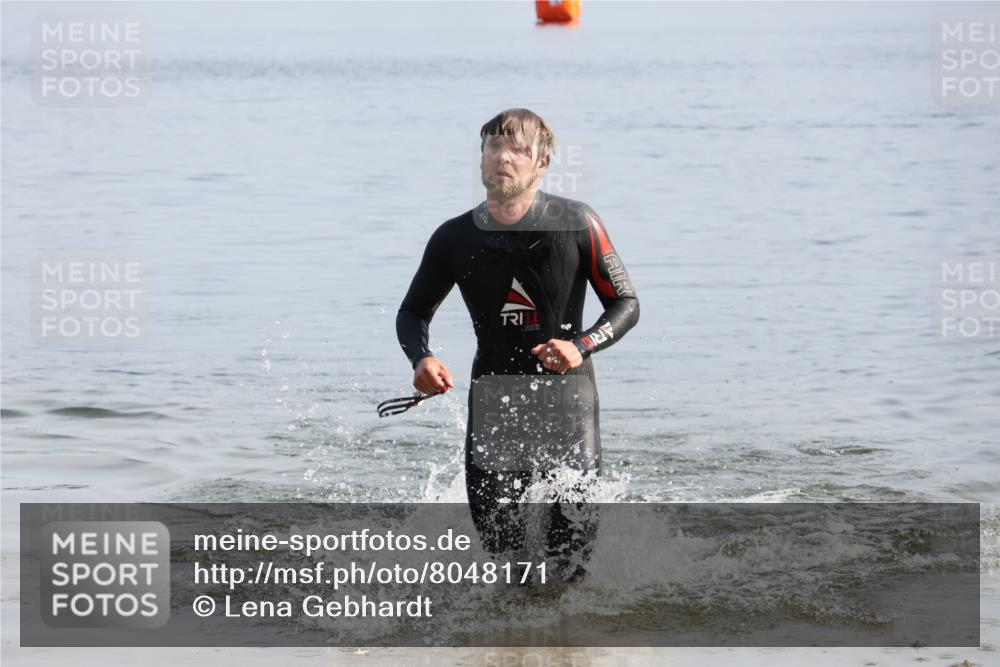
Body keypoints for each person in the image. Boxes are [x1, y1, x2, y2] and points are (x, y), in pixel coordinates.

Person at [396, 108, 639, 572]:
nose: (502, 157)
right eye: (493, 146)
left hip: (568, 405)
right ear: (481, 157)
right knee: (506, 563)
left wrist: (580, 345)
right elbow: (412, 312)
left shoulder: (577, 223)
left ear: (542, 163)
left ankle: (566, 644)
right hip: (494, 405)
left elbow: (626, 303)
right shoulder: (453, 237)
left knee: (569, 564)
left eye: (518, 149)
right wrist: (421, 358)